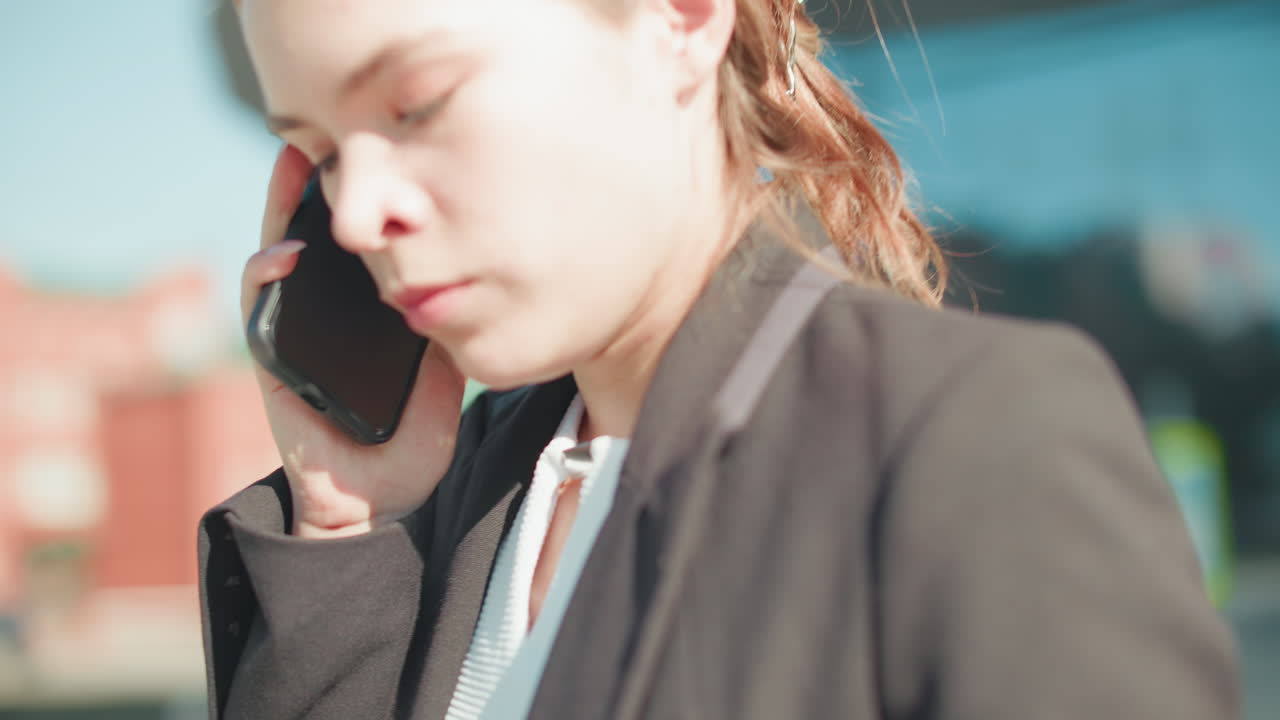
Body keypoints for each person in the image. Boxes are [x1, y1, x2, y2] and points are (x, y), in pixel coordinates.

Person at [199, 0, 1239, 718]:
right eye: (324, 151)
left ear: (679, 23)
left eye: (416, 103)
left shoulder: (972, 438)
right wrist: (346, 524)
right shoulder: (453, 509)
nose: (362, 209)